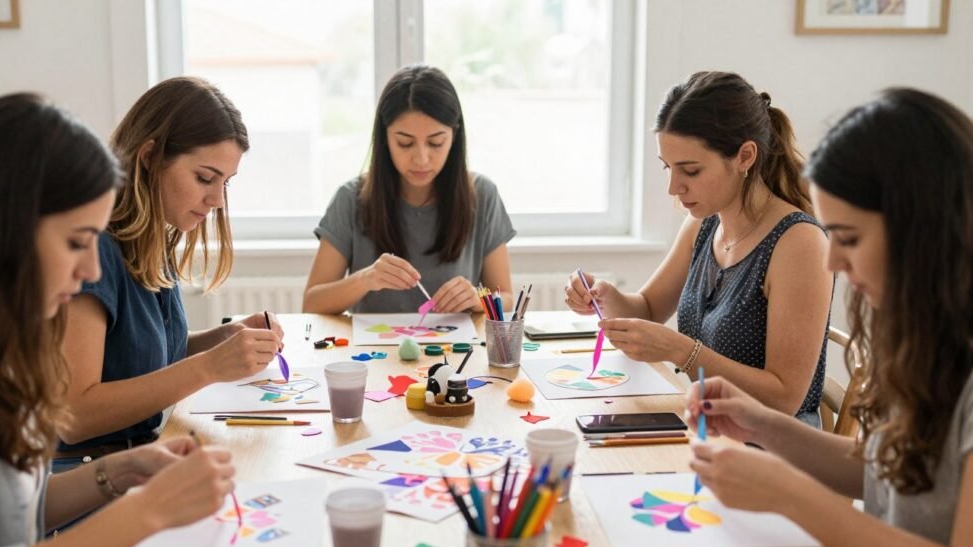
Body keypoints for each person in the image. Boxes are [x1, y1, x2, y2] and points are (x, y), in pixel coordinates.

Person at [687, 88, 973, 547]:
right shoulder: (922, 333)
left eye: (850, 238)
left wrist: (790, 494)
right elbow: (885, 474)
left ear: (923, 230)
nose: (832, 261)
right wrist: (760, 425)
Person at [0, 93, 235, 547]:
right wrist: (146, 511)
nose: (92, 270)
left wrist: (122, 472)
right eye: (77, 242)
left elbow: (18, 515)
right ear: (3, 230)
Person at [567, 71, 833, 426]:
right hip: (709, 426)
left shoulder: (799, 244)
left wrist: (683, 352)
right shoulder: (704, 224)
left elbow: (784, 398)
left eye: (689, 171)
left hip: (774, 446)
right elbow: (647, 308)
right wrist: (605, 297)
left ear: (745, 156)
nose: (673, 188)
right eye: (668, 168)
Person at [57, 77, 283, 460]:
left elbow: (139, 356)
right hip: (84, 476)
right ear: (149, 157)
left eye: (225, 183)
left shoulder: (151, 237)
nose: (215, 200)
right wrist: (209, 367)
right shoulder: (94, 251)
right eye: (204, 178)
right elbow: (75, 414)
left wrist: (223, 337)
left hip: (135, 458)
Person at [304, 64, 516, 315]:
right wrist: (366, 279)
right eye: (405, 143)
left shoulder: (482, 195)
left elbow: (507, 297)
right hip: (374, 353)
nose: (421, 159)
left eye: (436, 142)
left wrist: (478, 299)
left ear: (454, 136)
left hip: (458, 353)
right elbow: (312, 304)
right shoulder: (351, 199)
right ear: (385, 138)